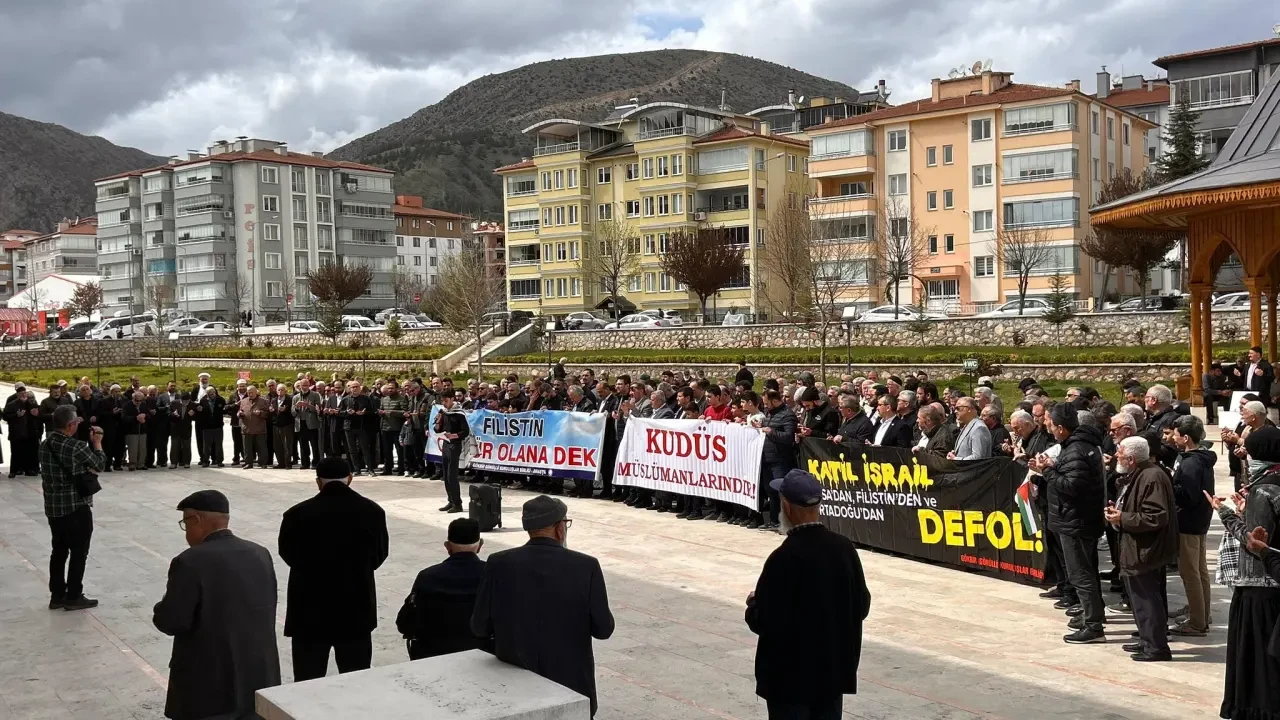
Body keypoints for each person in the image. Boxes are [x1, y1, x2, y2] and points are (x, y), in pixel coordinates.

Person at [471, 496, 614, 718]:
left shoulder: (498, 563)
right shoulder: (586, 566)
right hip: (571, 687)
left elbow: (479, 626)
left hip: (515, 687)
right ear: (559, 528)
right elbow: (603, 629)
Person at [746, 470, 871, 720]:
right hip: (831, 675)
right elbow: (862, 606)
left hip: (790, 683)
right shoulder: (844, 548)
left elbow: (766, 621)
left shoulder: (783, 557)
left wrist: (753, 605)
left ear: (786, 507)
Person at [153, 490, 280, 720]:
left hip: (208, 685)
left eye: (185, 524)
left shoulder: (190, 560)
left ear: (197, 519)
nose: (186, 532)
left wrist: (160, 609)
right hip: (258, 675)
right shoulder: (260, 553)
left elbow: (172, 621)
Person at [278, 457, 389, 681]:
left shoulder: (296, 514)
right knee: (355, 678)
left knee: (307, 679)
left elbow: (288, 554)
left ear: (318, 482)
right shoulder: (372, 511)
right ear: (350, 478)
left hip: (309, 609)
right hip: (355, 608)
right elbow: (379, 555)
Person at [1211, 426, 1280, 719]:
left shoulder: (1263, 490)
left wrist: (1226, 515)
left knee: (1257, 657)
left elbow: (1254, 543)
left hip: (1259, 586)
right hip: (1274, 581)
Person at [1031, 404, 1107, 644]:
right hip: (1078, 518)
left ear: (1062, 428)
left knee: (1080, 574)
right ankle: (1092, 614)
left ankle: (1093, 626)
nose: (1049, 429)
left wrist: (1047, 471)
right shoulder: (1078, 446)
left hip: (1076, 521)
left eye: (1052, 425)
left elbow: (1071, 486)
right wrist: (1054, 467)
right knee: (1085, 571)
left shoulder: (1076, 449)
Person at [1105, 437, 1177, 662]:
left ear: (1131, 459)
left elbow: (1156, 516)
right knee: (1140, 600)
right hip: (1137, 547)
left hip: (1146, 549)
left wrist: (1123, 518)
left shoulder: (1152, 476)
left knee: (1147, 599)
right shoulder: (1139, 474)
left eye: (1120, 453)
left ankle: (1156, 647)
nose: (1116, 456)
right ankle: (1147, 640)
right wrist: (1119, 512)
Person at [40, 405, 106, 611]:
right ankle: (74, 595)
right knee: (79, 552)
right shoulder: (76, 446)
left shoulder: (44, 445)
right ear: (70, 425)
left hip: (53, 506)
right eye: (76, 422)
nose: (78, 424)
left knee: (58, 551)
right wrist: (97, 442)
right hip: (76, 505)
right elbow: (99, 464)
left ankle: (57, 595)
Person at [398, 517, 488, 660]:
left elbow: (405, 622)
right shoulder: (492, 575)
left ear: (447, 546)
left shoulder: (427, 576)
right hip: (483, 652)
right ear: (480, 545)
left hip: (434, 654)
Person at [1164, 415, 1216, 638]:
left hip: (1189, 521)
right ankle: (1201, 613)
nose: (1172, 438)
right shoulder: (1198, 458)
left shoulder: (1191, 462)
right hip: (1199, 520)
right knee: (1199, 570)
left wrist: (1169, 482)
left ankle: (1197, 622)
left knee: (1190, 572)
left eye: (1175, 435)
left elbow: (1188, 496)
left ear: (1186, 438)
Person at [435, 391, 470, 513]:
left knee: (452, 475)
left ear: (452, 399)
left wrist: (454, 435)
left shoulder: (459, 413)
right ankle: (450, 500)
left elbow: (465, 431)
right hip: (445, 444)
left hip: (455, 445)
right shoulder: (443, 412)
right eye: (442, 401)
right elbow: (437, 429)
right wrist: (438, 422)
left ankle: (457, 503)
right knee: (445, 475)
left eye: (446, 401)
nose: (444, 403)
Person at [5, 384, 41, 476]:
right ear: (17, 395)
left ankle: (29, 470)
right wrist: (16, 415)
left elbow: (38, 415)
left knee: (29, 452)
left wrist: (37, 414)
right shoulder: (11, 405)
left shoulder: (31, 403)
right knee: (16, 453)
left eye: (25, 393)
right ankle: (13, 471)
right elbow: (5, 416)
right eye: (21, 394)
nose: (24, 395)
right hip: (17, 433)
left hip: (29, 432)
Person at [378, 381, 408, 475]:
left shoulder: (401, 399)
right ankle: (387, 468)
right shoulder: (384, 399)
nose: (390, 390)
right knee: (387, 450)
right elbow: (381, 410)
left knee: (399, 450)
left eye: (392, 388)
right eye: (389, 388)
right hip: (385, 428)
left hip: (397, 428)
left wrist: (392, 412)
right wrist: (380, 412)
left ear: (397, 389)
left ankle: (401, 469)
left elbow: (405, 412)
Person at [238, 385, 270, 469]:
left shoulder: (263, 401)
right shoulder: (243, 401)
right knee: (247, 448)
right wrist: (240, 414)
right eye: (248, 393)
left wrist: (260, 413)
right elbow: (240, 411)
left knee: (261, 447)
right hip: (247, 428)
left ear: (256, 392)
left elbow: (268, 414)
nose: (250, 394)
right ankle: (248, 463)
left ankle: (263, 463)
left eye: (252, 392)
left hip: (259, 429)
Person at [195, 386, 226, 468]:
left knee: (218, 445)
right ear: (207, 394)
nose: (211, 395)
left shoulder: (221, 400)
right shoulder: (203, 400)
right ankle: (205, 461)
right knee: (206, 446)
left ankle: (219, 461)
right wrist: (199, 410)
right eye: (209, 394)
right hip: (207, 427)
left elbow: (225, 410)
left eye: (213, 393)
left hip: (218, 426)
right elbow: (200, 412)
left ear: (215, 392)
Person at [270, 383, 295, 470]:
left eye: (282, 390)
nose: (280, 391)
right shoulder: (274, 400)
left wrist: (285, 410)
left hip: (286, 425)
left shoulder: (290, 400)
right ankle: (281, 463)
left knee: (287, 445)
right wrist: (271, 411)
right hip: (276, 425)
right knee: (277, 445)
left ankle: (288, 463)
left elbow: (293, 413)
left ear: (285, 391)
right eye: (278, 390)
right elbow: (273, 412)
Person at [121, 390, 148, 471]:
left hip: (142, 430)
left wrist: (145, 416)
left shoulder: (144, 405)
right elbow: (124, 417)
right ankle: (132, 464)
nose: (138, 402)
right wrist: (136, 418)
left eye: (140, 400)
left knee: (142, 448)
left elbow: (148, 414)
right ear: (133, 398)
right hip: (131, 430)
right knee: (133, 448)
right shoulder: (127, 405)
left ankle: (141, 464)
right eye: (137, 400)